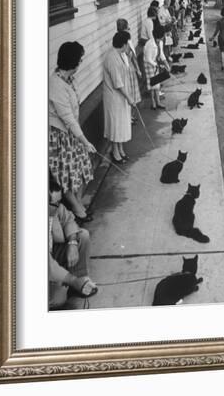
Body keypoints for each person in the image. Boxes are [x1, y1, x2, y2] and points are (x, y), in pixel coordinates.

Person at [49, 41, 96, 222]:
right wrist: (85, 141)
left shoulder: (68, 79)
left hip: (72, 134)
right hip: (60, 137)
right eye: (80, 59)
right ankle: (78, 209)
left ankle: (77, 204)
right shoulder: (55, 85)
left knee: (83, 169)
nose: (81, 62)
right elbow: (67, 118)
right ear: (73, 61)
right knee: (66, 175)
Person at [48, 172, 98, 310]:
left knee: (83, 235)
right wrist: (72, 280)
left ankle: (80, 278)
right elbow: (48, 265)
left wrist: (72, 243)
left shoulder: (55, 208)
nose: (59, 206)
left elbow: (69, 219)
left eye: (60, 202)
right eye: (55, 204)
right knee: (58, 301)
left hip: (53, 252)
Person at [103, 31, 135, 164]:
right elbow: (117, 83)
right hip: (114, 97)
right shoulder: (111, 58)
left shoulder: (120, 54)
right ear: (123, 44)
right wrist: (129, 98)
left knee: (121, 124)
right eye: (128, 43)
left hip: (121, 96)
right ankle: (115, 152)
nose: (129, 45)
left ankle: (121, 149)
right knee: (115, 125)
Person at [116, 18, 142, 123]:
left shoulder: (129, 40)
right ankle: (128, 117)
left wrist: (138, 69)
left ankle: (131, 115)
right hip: (124, 71)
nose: (128, 30)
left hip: (130, 68)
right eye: (127, 28)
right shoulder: (119, 42)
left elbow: (133, 56)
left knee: (132, 93)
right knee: (127, 93)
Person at [143, 26, 169, 110]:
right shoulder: (149, 44)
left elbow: (161, 54)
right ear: (158, 35)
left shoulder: (160, 42)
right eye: (162, 35)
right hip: (149, 64)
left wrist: (166, 64)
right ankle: (153, 102)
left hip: (154, 63)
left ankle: (158, 102)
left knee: (157, 84)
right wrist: (156, 65)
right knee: (152, 84)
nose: (163, 37)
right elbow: (148, 59)